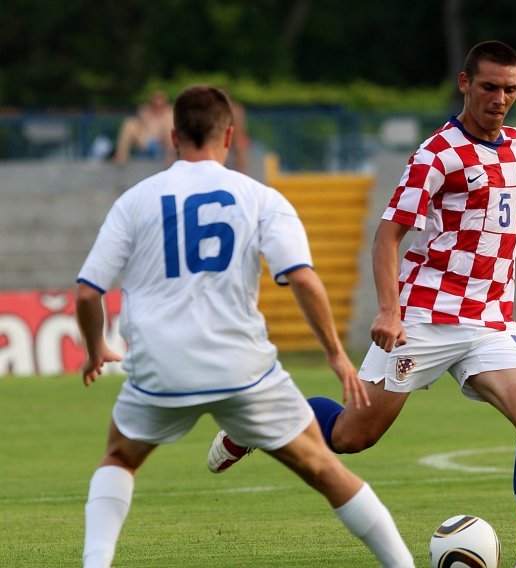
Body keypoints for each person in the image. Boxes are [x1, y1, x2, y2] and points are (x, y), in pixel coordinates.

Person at [210, 41, 516, 568]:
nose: (500, 99)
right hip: (424, 317)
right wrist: (389, 309)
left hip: (490, 322)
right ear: (465, 83)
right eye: (490, 87)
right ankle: (258, 419)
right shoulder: (437, 154)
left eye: (511, 89)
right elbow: (387, 235)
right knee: (353, 436)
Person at [75, 84, 414, 568]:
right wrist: (337, 355)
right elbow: (302, 278)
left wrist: (95, 349)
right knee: (323, 468)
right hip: (242, 369)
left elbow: (88, 292)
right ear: (229, 135)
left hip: (160, 367)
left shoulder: (136, 200)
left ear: (173, 136)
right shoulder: (260, 198)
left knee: (119, 459)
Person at [113, 90, 176, 165]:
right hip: (145, 142)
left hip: (162, 145)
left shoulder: (169, 113)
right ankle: (121, 155)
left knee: (169, 126)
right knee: (130, 123)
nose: (157, 105)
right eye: (155, 102)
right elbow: (139, 128)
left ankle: (171, 155)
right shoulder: (144, 112)